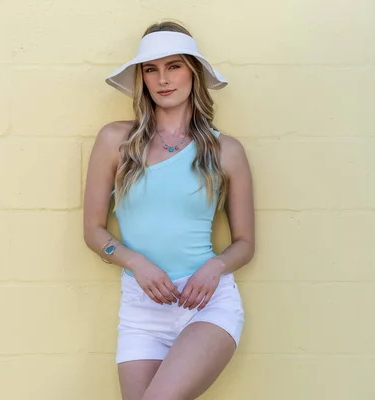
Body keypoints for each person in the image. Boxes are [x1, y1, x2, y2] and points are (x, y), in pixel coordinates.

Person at [83, 20, 255, 400]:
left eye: (174, 66)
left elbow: (245, 243)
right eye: (151, 68)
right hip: (141, 311)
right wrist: (136, 263)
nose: (162, 78)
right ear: (141, 77)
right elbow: (94, 231)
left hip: (206, 305)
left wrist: (214, 268)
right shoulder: (116, 141)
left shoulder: (225, 150)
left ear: (193, 73)